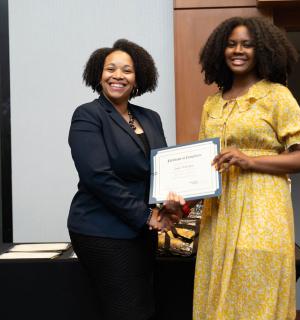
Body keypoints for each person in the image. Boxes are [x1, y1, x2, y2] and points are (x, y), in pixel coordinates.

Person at [192, 17, 300, 319]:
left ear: (262, 50)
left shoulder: (277, 95)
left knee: (256, 301)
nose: (239, 50)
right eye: (232, 44)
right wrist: (177, 204)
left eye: (248, 44)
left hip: (262, 214)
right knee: (216, 302)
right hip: (219, 216)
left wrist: (251, 161)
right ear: (220, 51)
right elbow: (202, 165)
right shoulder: (211, 104)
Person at [67, 39, 178, 320]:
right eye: (111, 69)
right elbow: (97, 176)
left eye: (127, 70)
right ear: (99, 74)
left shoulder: (149, 117)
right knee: (127, 310)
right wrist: (146, 216)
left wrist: (173, 204)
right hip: (102, 229)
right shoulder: (88, 115)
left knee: (145, 306)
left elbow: (161, 170)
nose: (118, 75)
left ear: (138, 77)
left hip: (142, 230)